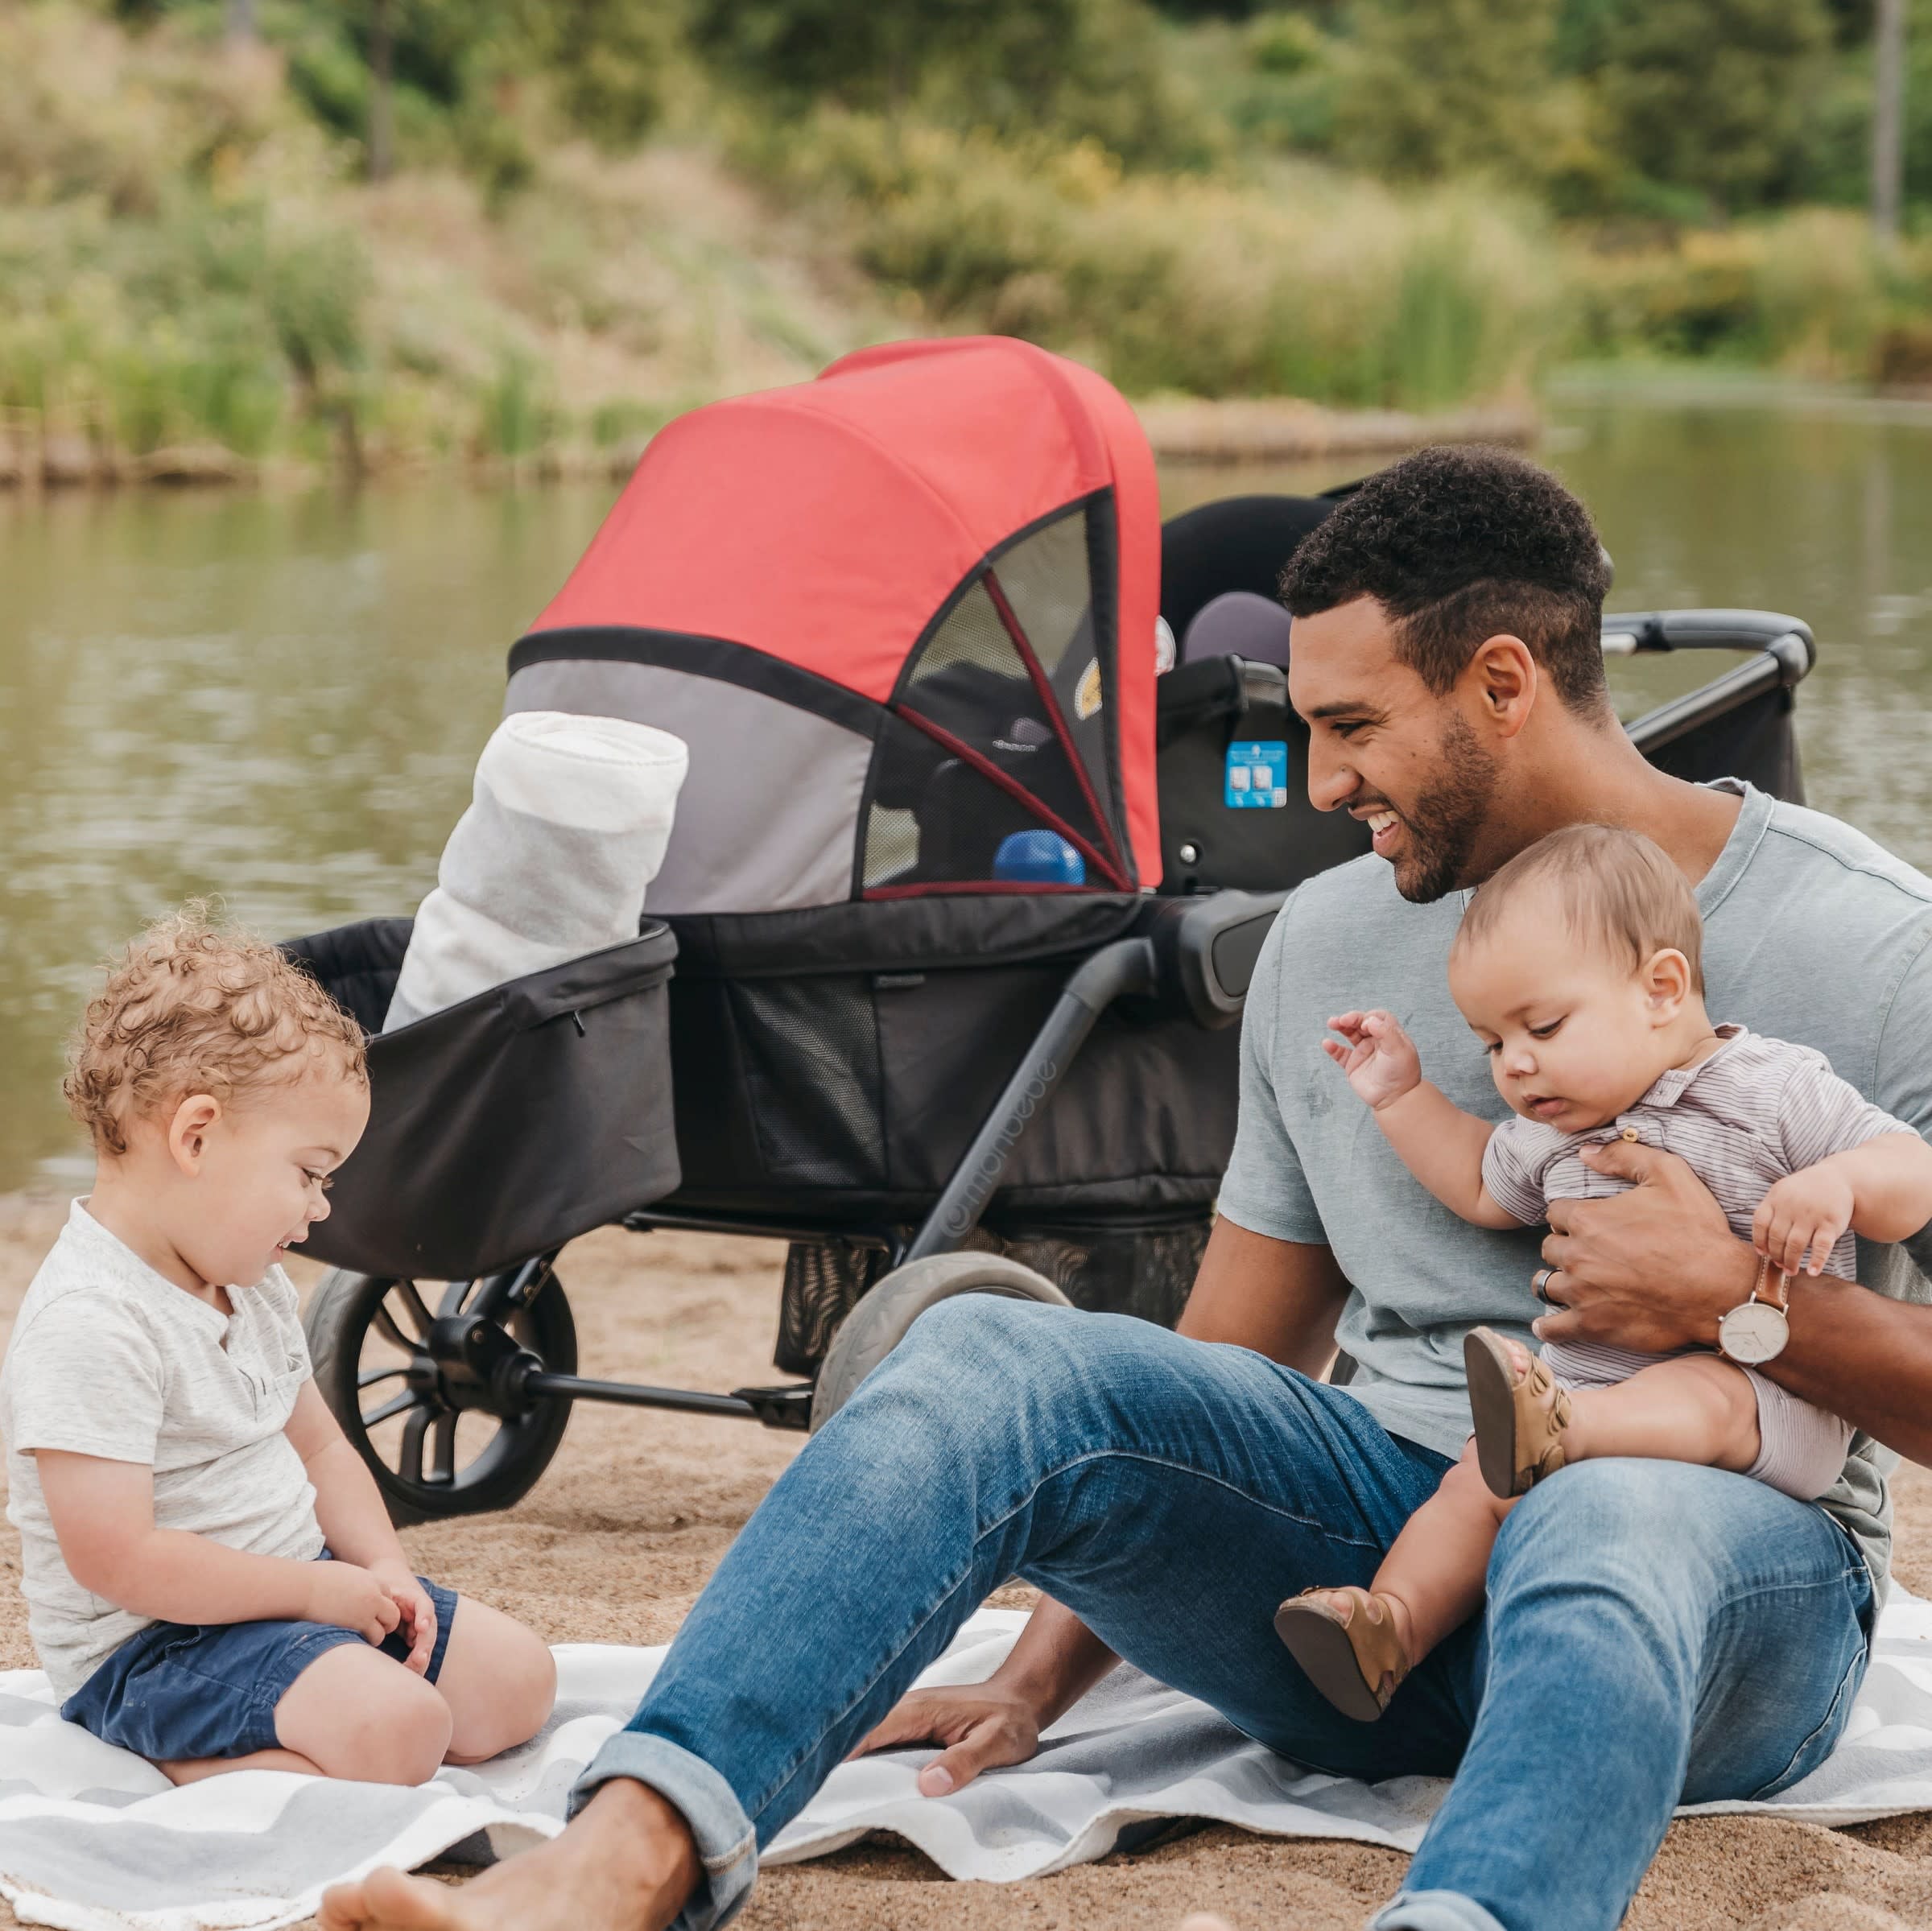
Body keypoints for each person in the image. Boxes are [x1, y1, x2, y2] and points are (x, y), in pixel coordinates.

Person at [318, 446, 1932, 1931]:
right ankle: (627, 1856)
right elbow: (1214, 1372)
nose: (1314, 785)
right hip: (1374, 1593)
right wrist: (1036, 1673)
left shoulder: (1871, 949)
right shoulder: (1325, 943)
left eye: (1353, 726)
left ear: (1503, 682)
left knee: (1602, 1491)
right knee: (1000, 1354)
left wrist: (1739, 1303)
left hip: (1733, 1596)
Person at [1275, 823, 1932, 1720]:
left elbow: (1912, 1172)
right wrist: (1400, 1095)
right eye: (1492, 1044)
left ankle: (1566, 1431)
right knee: (1477, 1479)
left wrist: (1838, 1182)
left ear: (1663, 987)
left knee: (1701, 1392)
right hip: (1581, 1401)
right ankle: (1390, 1624)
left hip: (1761, 1398)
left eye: (1542, 1026)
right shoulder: (1560, 1134)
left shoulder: (1772, 1088)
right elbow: (1475, 1178)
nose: (1516, 1064)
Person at [2, 910, 556, 1784]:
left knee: (518, 1682)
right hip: (156, 1644)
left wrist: (380, 1568)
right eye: (309, 1171)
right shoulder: (92, 1320)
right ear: (196, 1136)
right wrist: (312, 1595)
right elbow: (118, 1559)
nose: (322, 1207)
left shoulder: (249, 1283)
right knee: (402, 1731)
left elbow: (323, 1446)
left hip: (298, 1586)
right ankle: (188, 1766)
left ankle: (315, 1718)